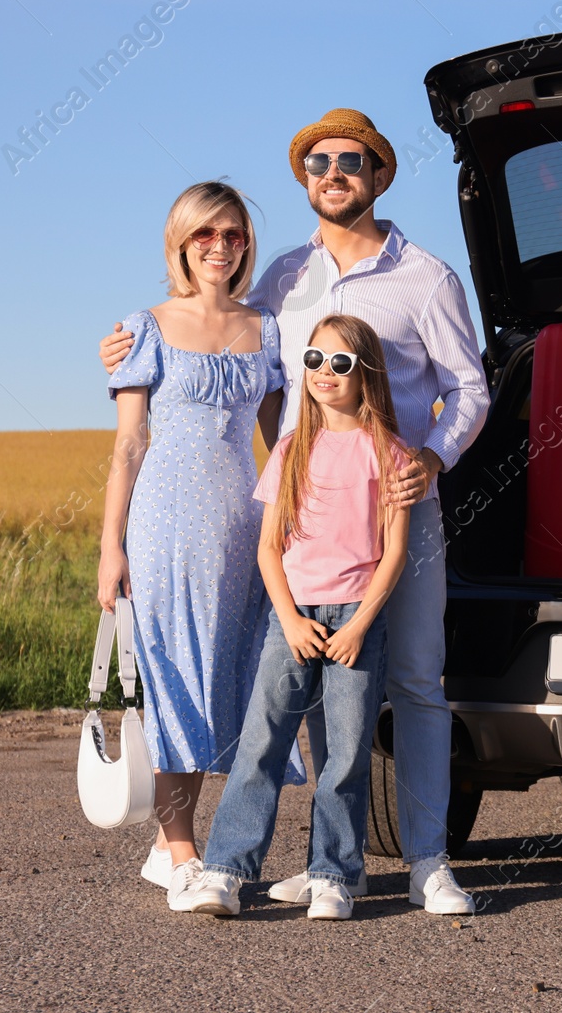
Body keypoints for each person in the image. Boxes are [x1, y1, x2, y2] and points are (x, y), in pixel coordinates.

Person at [103, 108, 490, 914]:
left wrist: (430, 456)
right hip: (302, 522)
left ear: (380, 175)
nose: (334, 173)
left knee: (415, 678)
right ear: (305, 179)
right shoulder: (281, 279)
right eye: (318, 162)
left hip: (398, 513)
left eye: (352, 160)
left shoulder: (426, 277)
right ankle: (324, 864)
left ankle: (426, 859)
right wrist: (126, 347)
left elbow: (470, 389)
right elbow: (239, 363)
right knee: (307, 688)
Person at [171, 315, 411, 919]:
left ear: (366, 374)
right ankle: (226, 871)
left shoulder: (390, 452)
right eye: (312, 361)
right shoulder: (291, 448)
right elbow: (267, 548)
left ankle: (333, 873)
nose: (323, 374)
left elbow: (396, 553)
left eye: (339, 363)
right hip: (294, 617)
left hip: (357, 617)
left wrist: (358, 627)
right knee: (262, 742)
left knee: (349, 751)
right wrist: (291, 618)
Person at [97, 180, 285, 912]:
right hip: (165, 517)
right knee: (172, 672)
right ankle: (182, 850)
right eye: (205, 234)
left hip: (242, 523)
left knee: (220, 678)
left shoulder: (264, 328)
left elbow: (280, 438)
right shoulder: (143, 325)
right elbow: (128, 443)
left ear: (246, 246)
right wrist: (110, 545)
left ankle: (165, 846)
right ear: (181, 242)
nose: (220, 247)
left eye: (233, 235)